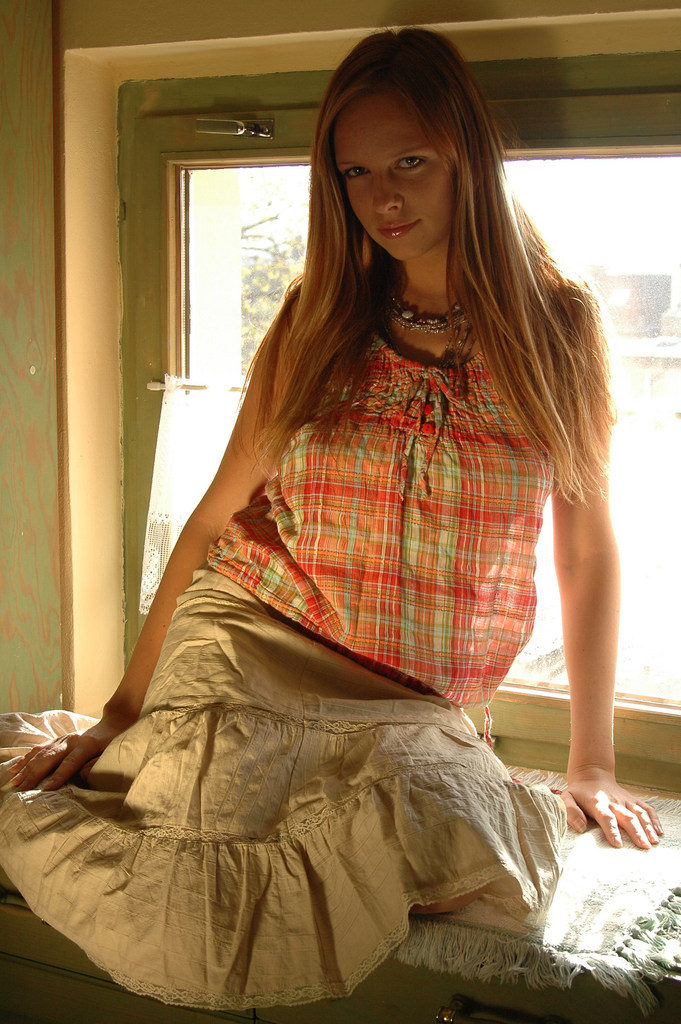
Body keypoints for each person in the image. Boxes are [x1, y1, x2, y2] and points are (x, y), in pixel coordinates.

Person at [0, 26, 662, 1012]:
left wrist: (593, 763)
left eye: (410, 163)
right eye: (356, 172)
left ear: (467, 158)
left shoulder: (555, 326)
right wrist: (122, 711)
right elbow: (215, 518)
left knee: (462, 849)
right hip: (255, 640)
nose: (384, 197)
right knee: (194, 866)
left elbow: (585, 550)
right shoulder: (318, 317)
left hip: (411, 707)